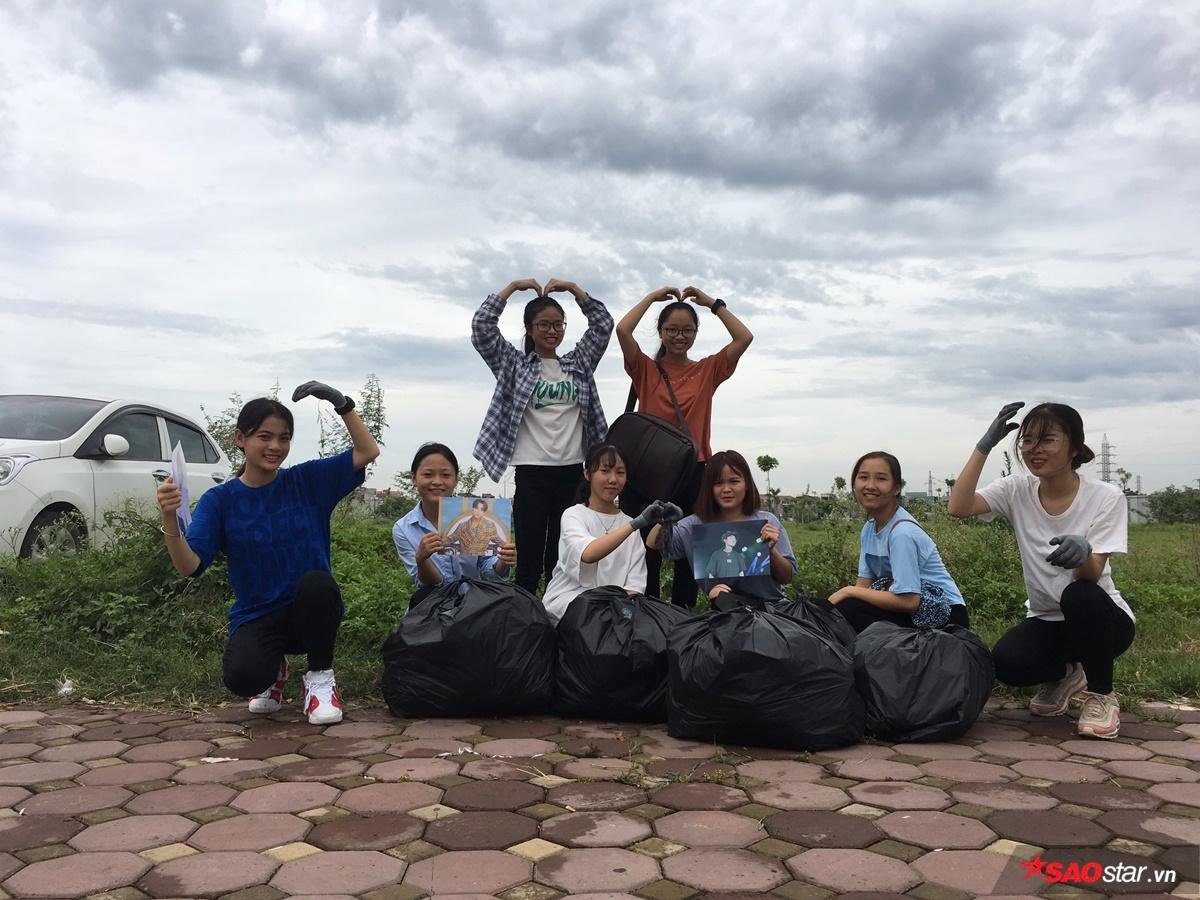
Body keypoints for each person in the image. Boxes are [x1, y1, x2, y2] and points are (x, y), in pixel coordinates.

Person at [155, 383, 379, 725]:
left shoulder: (306, 482)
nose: (275, 446)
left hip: (310, 612)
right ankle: (274, 670)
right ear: (240, 439)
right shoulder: (221, 501)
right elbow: (190, 565)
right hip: (258, 615)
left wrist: (341, 403)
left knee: (318, 584)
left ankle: (320, 680)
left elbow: (366, 451)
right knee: (242, 677)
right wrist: (169, 518)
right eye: (265, 436)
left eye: (284, 438)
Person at [948, 402, 1134, 739]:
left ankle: (1102, 697)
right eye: (1027, 440)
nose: (1035, 449)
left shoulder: (1106, 497)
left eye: (1048, 440)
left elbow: (1091, 576)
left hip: (1104, 621)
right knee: (1006, 663)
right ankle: (1067, 674)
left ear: (1074, 447)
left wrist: (1084, 554)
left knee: (1078, 595)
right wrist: (983, 446)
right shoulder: (1016, 489)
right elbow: (958, 507)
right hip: (1046, 619)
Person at [472, 278, 613, 595]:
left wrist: (576, 290)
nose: (552, 331)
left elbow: (603, 325)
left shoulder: (578, 364)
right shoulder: (514, 365)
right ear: (530, 329)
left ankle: (557, 620)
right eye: (543, 325)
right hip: (532, 472)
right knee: (529, 560)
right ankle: (524, 625)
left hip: (573, 472)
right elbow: (482, 328)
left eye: (558, 325)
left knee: (561, 559)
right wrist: (511, 288)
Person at [616, 285, 753, 607]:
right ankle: (644, 613)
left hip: (694, 470)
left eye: (687, 330)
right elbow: (623, 329)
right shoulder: (645, 369)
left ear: (696, 333)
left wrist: (712, 304)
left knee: (691, 550)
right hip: (647, 473)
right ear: (661, 332)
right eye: (672, 330)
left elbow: (744, 338)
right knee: (642, 549)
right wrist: (650, 298)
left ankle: (682, 617)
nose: (680, 336)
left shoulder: (706, 369)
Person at [828, 451, 969, 632]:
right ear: (854, 484)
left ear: (896, 488)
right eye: (863, 477)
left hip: (944, 614)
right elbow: (863, 585)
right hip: (912, 610)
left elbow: (909, 601)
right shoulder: (869, 529)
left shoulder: (902, 533)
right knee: (844, 611)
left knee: (849, 610)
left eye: (881, 479)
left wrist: (847, 591)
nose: (870, 485)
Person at [541, 444, 679, 624]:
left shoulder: (629, 525)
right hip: (569, 609)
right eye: (605, 471)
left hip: (614, 614)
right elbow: (588, 554)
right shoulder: (574, 515)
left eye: (620, 473)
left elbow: (634, 587)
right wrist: (636, 524)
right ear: (587, 474)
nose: (613, 479)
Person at [650, 450, 795, 603]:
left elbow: (787, 576)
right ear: (708, 488)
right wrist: (662, 519)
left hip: (771, 611)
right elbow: (654, 543)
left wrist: (771, 551)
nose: (726, 489)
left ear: (746, 483)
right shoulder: (693, 525)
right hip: (723, 613)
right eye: (718, 483)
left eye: (734, 481)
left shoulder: (768, 521)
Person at [392, 443, 516, 609]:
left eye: (445, 475)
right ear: (414, 478)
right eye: (428, 474)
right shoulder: (403, 528)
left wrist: (503, 561)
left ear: (456, 479)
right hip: (431, 610)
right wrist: (421, 560)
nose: (437, 482)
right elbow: (428, 584)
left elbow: (489, 570)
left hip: (471, 607)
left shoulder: (475, 520)